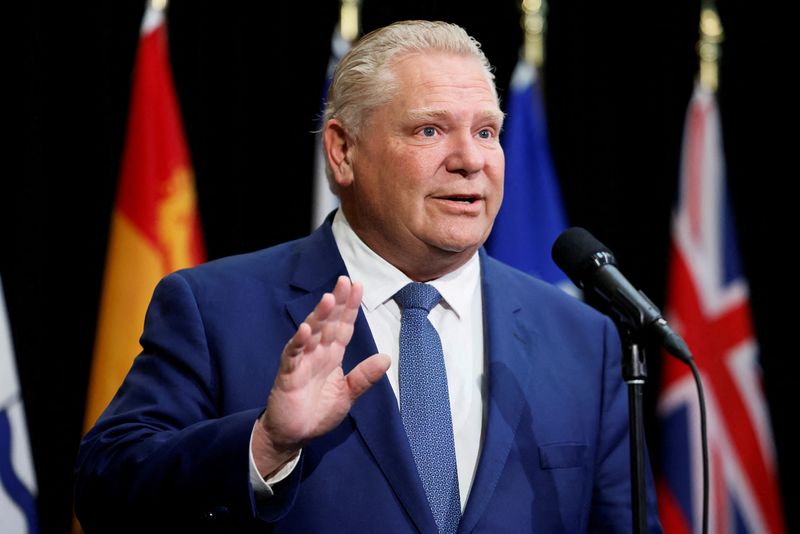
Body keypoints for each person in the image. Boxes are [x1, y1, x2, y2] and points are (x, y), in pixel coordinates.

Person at [74, 20, 662, 533]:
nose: (471, 159)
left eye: (486, 131)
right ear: (343, 152)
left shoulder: (584, 337)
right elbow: (105, 493)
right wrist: (265, 444)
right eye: (429, 130)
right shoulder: (215, 309)